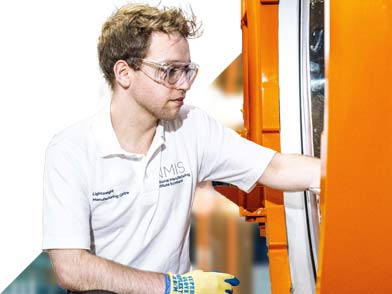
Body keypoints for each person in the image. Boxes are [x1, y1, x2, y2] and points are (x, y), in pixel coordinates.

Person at [42, 3, 321, 294]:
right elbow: (71, 268)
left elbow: (275, 167)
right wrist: (175, 286)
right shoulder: (71, 151)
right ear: (124, 73)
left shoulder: (191, 126)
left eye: (187, 71)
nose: (184, 84)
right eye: (170, 71)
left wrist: (340, 174)